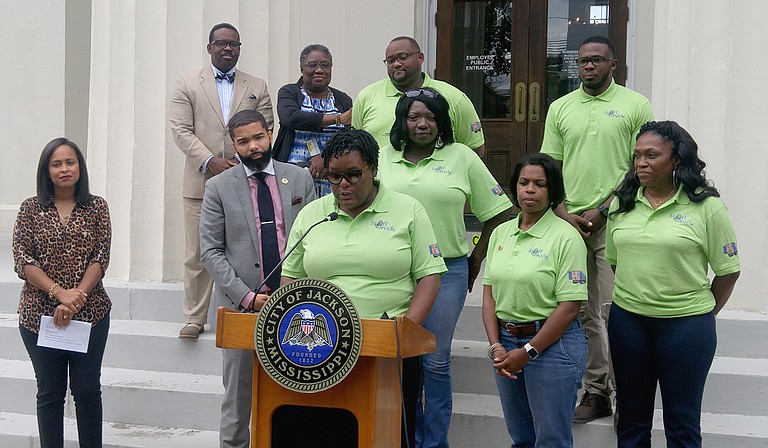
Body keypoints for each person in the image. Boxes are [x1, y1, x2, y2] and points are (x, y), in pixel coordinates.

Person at [280, 128, 447, 448]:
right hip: (319, 350)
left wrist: (406, 330)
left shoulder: (408, 210)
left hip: (388, 349)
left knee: (387, 435)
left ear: (373, 168)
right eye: (333, 176)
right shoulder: (313, 215)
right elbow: (290, 279)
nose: (343, 185)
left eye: (353, 175)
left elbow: (429, 276)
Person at [378, 87, 512, 448]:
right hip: (392, 270)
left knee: (435, 359)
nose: (422, 124)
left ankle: (433, 442)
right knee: (394, 356)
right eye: (414, 117)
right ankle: (398, 437)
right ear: (402, 122)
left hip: (445, 270)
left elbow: (500, 213)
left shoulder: (462, 157)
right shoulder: (381, 158)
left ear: (443, 122)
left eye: (431, 117)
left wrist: (476, 258)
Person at [540, 35, 654, 423]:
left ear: (613, 64)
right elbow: (549, 167)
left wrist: (604, 209)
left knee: (611, 309)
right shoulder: (561, 107)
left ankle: (625, 395)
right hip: (569, 224)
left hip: (616, 221)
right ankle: (595, 391)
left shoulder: (635, 105)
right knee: (583, 310)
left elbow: (640, 166)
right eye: (584, 61)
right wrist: (562, 211)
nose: (589, 66)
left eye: (597, 60)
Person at [606, 121, 740, 447]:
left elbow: (728, 271)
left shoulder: (706, 207)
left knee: (681, 425)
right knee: (631, 423)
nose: (641, 163)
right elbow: (615, 260)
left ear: (676, 159)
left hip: (686, 328)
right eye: (637, 156)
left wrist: (700, 312)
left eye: (652, 155)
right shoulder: (621, 204)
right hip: (628, 323)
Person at [200, 109, 315, 448]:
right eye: (243, 141)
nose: (253, 146)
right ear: (233, 145)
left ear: (270, 133)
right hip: (240, 308)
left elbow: (311, 239)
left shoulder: (299, 179)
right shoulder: (218, 187)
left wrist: (289, 294)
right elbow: (210, 252)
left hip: (292, 307)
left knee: (292, 393)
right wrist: (247, 297)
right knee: (237, 399)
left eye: (258, 137)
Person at [170, 22, 274, 339]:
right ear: (209, 47)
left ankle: (242, 309)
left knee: (244, 251)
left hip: (249, 181)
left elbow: (266, 127)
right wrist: (212, 162)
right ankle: (194, 317)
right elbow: (180, 130)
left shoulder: (256, 84)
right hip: (201, 183)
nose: (227, 48)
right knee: (199, 253)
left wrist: (242, 161)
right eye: (221, 43)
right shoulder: (187, 83)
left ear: (239, 48)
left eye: (233, 44)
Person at [482, 153, 588, 448]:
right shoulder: (501, 233)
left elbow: (570, 307)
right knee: (522, 438)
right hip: (506, 343)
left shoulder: (566, 237)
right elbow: (489, 295)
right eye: (523, 182)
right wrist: (496, 346)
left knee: (551, 440)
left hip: (553, 346)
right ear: (514, 188)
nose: (530, 189)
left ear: (552, 191)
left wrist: (528, 352)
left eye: (539, 184)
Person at [13, 138, 112, 448]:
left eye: (70, 162)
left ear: (80, 167)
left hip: (91, 315)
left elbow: (100, 257)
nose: (64, 169)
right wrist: (59, 293)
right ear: (47, 170)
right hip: (38, 318)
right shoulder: (31, 208)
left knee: (86, 391)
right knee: (50, 392)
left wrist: (76, 296)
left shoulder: (97, 207)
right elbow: (23, 258)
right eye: (56, 164)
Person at [353, 36, 486, 157]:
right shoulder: (367, 97)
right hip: (381, 182)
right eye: (390, 60)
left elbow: (474, 150)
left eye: (403, 57)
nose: (396, 64)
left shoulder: (454, 97)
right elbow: (357, 146)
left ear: (420, 57)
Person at [273, 44, 353, 197]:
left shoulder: (342, 99)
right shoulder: (289, 92)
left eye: (325, 65)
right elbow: (290, 117)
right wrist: (338, 119)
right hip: (292, 175)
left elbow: (347, 139)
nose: (319, 70)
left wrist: (326, 158)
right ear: (302, 69)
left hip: (332, 176)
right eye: (312, 65)